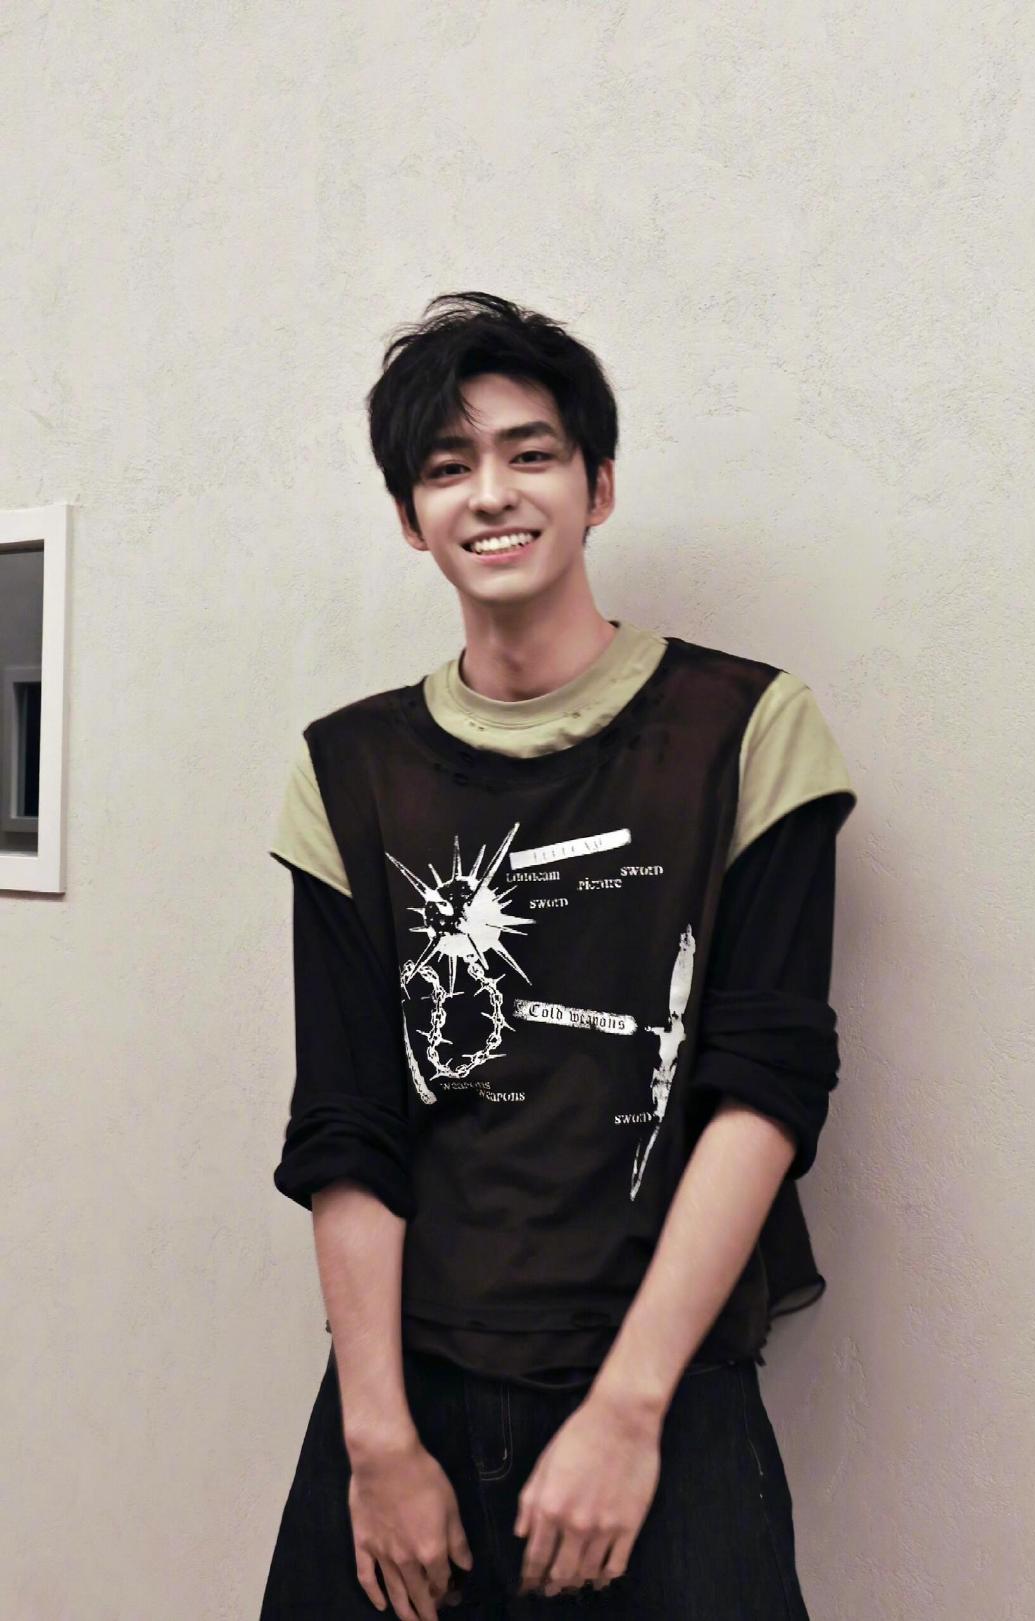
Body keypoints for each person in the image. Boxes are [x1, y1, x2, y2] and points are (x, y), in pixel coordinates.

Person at [260, 292, 857, 1620]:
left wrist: (629, 1413)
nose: (491, 493)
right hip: (408, 1386)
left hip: (667, 1389)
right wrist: (377, 1439)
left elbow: (764, 1088)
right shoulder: (345, 772)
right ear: (411, 517)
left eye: (530, 453)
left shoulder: (748, 728)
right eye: (446, 467)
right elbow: (346, 1116)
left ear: (599, 486)